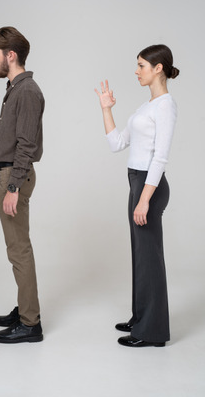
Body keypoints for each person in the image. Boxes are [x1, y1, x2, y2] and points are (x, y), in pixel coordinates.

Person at [95, 44, 179, 348]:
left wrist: (145, 199)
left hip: (150, 186)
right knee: (140, 256)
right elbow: (118, 143)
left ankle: (152, 332)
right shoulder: (147, 106)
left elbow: (160, 157)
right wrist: (106, 108)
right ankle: (140, 316)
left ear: (158, 68)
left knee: (150, 259)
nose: (136, 70)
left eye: (141, 65)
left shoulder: (165, 106)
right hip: (136, 182)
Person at [0, 26, 45, 344]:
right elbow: (7, 142)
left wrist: (13, 187)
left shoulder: (27, 91)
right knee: (16, 249)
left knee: (19, 250)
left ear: (10, 55)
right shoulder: (14, 89)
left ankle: (31, 323)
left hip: (13, 177)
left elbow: (26, 146)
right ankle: (25, 309)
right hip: (7, 173)